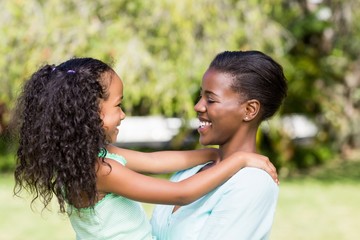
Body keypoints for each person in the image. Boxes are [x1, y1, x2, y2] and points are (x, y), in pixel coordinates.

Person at [13, 57, 278, 240]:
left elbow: (156, 161)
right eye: (118, 105)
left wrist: (215, 155)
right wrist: (238, 160)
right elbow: (181, 193)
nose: (124, 114)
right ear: (89, 114)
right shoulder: (99, 170)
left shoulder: (96, 158)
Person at [151, 50, 288, 240]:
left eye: (211, 99)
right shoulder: (189, 170)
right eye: (200, 96)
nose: (198, 106)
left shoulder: (252, 183)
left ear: (250, 110)